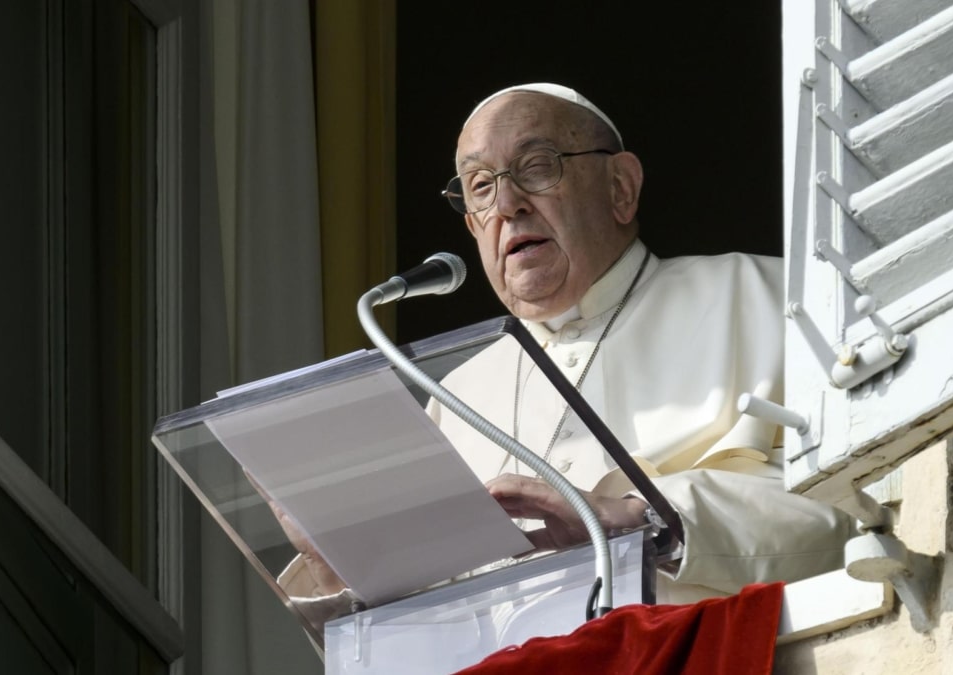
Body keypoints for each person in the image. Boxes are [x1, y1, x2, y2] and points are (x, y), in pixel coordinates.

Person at [281, 82, 855, 610]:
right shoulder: (454, 395)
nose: (507, 205)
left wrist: (639, 521)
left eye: (535, 167)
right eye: (480, 186)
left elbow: (870, 510)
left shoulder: (774, 300)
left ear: (621, 188)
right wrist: (339, 566)